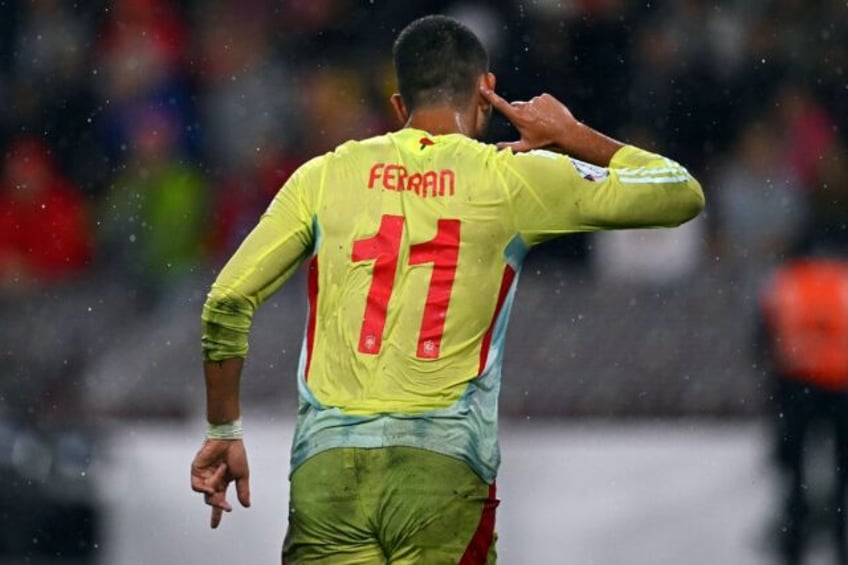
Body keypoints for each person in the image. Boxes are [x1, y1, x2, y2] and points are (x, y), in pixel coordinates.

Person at [190, 15, 704, 563]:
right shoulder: (513, 177)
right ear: (487, 93)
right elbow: (679, 193)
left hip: (330, 471)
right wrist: (569, 133)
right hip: (442, 469)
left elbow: (226, 301)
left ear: (397, 107)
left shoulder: (323, 175)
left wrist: (224, 425)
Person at [758, 248, 848, 565]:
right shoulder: (843, 281)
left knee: (794, 477)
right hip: (842, 390)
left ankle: (793, 544)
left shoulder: (785, 282)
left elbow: (763, 336)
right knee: (843, 480)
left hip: (796, 389)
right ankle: (841, 544)